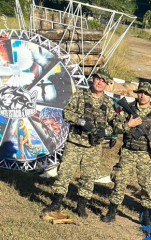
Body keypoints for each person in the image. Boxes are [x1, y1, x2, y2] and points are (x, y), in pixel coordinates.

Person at [42, 68, 118, 218]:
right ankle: (57, 202)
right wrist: (80, 121)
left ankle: (81, 206)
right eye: (97, 79)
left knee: (88, 177)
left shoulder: (109, 103)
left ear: (107, 85)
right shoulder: (80, 95)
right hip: (75, 142)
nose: (99, 82)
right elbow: (66, 113)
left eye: (103, 81)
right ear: (93, 79)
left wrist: (107, 132)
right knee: (65, 172)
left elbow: (116, 124)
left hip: (93, 146)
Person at [101, 82, 151, 226]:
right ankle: (112, 212)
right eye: (140, 92)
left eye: (145, 93)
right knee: (120, 181)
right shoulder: (128, 109)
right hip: (128, 152)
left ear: (150, 95)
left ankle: (146, 216)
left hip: (146, 154)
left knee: (148, 185)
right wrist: (128, 126)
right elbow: (116, 127)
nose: (142, 95)